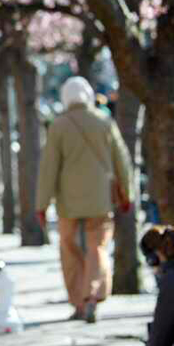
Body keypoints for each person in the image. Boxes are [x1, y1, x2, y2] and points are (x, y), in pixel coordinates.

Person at [35, 76, 133, 323]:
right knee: (97, 246)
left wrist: (42, 204)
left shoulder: (59, 125)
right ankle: (93, 295)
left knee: (69, 249)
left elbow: (49, 168)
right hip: (100, 198)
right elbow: (122, 160)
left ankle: (78, 302)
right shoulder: (104, 121)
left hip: (68, 199)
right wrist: (127, 194)